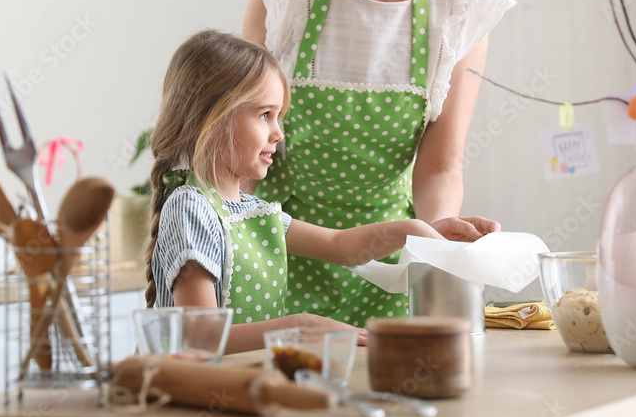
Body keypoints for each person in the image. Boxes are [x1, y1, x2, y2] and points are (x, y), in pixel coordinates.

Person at [242, 0, 514, 326]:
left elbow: (439, 164)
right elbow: (237, 136)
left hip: (391, 257)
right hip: (276, 244)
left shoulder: (461, 8)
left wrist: (440, 235)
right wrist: (220, 237)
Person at [142, 30, 497, 353]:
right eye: (265, 115)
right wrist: (297, 326)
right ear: (211, 117)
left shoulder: (251, 210)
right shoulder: (192, 208)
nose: (278, 133)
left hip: (245, 385)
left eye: (279, 116)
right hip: (197, 401)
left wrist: (425, 232)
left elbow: (339, 246)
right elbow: (199, 337)